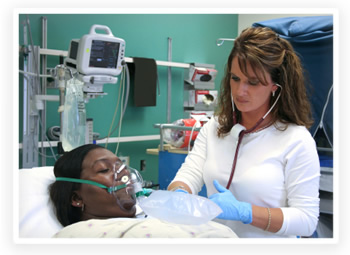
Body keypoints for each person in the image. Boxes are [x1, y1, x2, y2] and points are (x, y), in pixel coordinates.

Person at [168, 26, 320, 238]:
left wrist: (246, 212)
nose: (240, 91)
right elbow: (189, 175)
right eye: (235, 79)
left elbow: (306, 220)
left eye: (253, 82)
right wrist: (179, 193)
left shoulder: (296, 140)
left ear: (275, 86)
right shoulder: (215, 127)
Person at [49, 144, 238, 238]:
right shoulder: (76, 237)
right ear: (76, 198)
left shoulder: (155, 220)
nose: (123, 174)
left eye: (121, 165)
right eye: (104, 170)